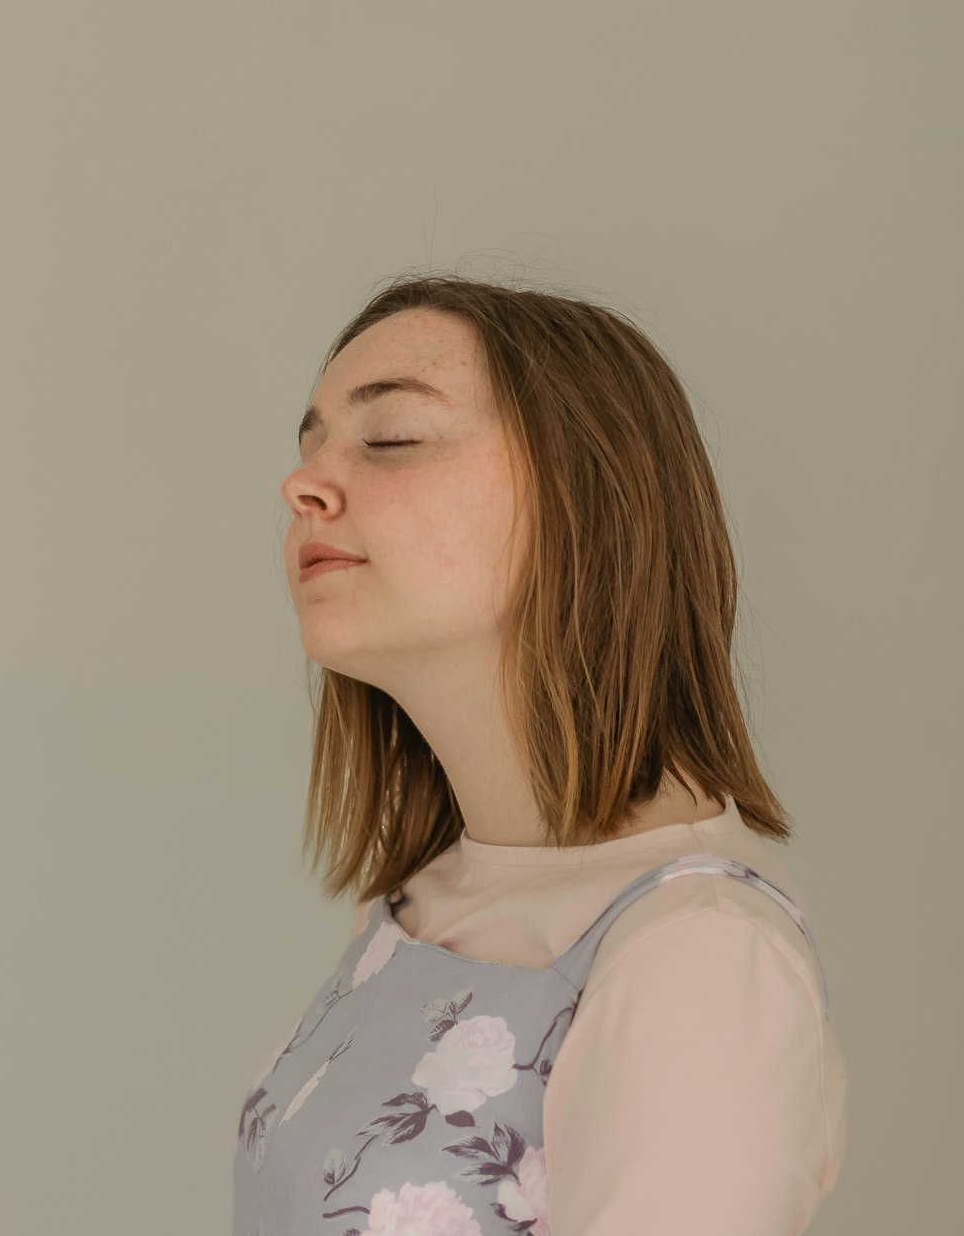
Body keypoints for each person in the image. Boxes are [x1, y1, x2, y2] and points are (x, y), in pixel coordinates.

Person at [233, 274, 848, 1235]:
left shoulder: (698, 955)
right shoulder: (416, 902)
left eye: (389, 438)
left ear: (587, 491)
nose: (302, 484)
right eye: (307, 447)